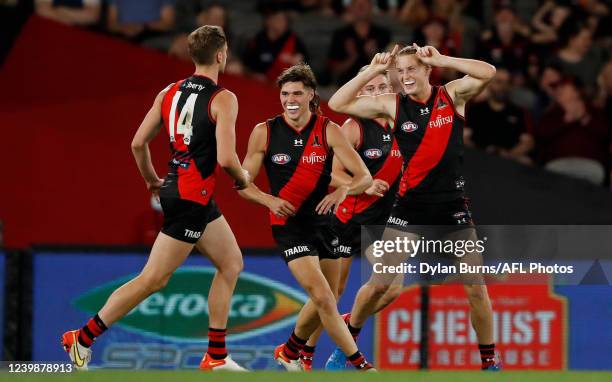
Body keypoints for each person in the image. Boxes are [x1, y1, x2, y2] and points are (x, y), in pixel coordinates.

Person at [61, 25, 250, 372]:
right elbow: (226, 159)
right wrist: (243, 177)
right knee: (153, 280)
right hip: (191, 197)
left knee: (232, 263)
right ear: (222, 56)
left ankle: (216, 356)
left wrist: (151, 179)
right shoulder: (224, 98)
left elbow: (137, 143)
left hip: (183, 192)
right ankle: (82, 337)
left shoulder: (169, 92)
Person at [328, 43, 502, 371]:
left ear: (426, 70)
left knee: (476, 289)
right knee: (381, 282)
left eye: (412, 69)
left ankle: (489, 364)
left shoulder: (451, 95)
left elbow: (488, 72)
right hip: (409, 208)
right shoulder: (392, 106)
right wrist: (374, 71)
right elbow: (338, 103)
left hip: (452, 207)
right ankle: (346, 345)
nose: (406, 76)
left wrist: (442, 59)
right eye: (401, 71)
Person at [238, 63, 375, 371]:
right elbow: (243, 184)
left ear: (312, 94)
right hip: (289, 227)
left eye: (298, 93)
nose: (291, 99)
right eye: (285, 93)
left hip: (324, 223)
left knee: (331, 295)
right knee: (324, 296)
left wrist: (342, 192)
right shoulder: (265, 132)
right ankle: (360, 363)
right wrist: (267, 199)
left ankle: (289, 351)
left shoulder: (328, 129)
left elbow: (363, 177)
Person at [298, 67, 404, 370]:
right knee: (331, 292)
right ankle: (306, 352)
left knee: (391, 287)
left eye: (382, 87)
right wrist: (363, 182)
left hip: (380, 224)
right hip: (346, 219)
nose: (377, 93)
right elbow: (326, 170)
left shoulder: (400, 125)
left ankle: (346, 323)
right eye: (370, 89)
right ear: (359, 95)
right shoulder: (354, 127)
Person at [465, 67, 534, 165]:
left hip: (509, 161)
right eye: (499, 82)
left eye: (507, 82)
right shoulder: (476, 108)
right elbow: (464, 137)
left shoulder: (520, 112)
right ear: (490, 84)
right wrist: (480, 152)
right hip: (478, 158)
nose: (503, 86)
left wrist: (509, 155)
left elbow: (527, 143)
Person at [327, 0, 391, 85]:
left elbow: (389, 70)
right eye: (357, 5)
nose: (361, 8)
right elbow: (334, 70)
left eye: (364, 4)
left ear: (371, 8)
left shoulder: (383, 34)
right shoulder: (341, 34)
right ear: (350, 9)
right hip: (347, 85)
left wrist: (372, 55)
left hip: (377, 84)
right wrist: (352, 57)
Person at [35, 0, 101, 27]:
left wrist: (60, 10)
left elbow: (92, 16)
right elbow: (42, 10)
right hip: (47, 29)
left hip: (78, 36)